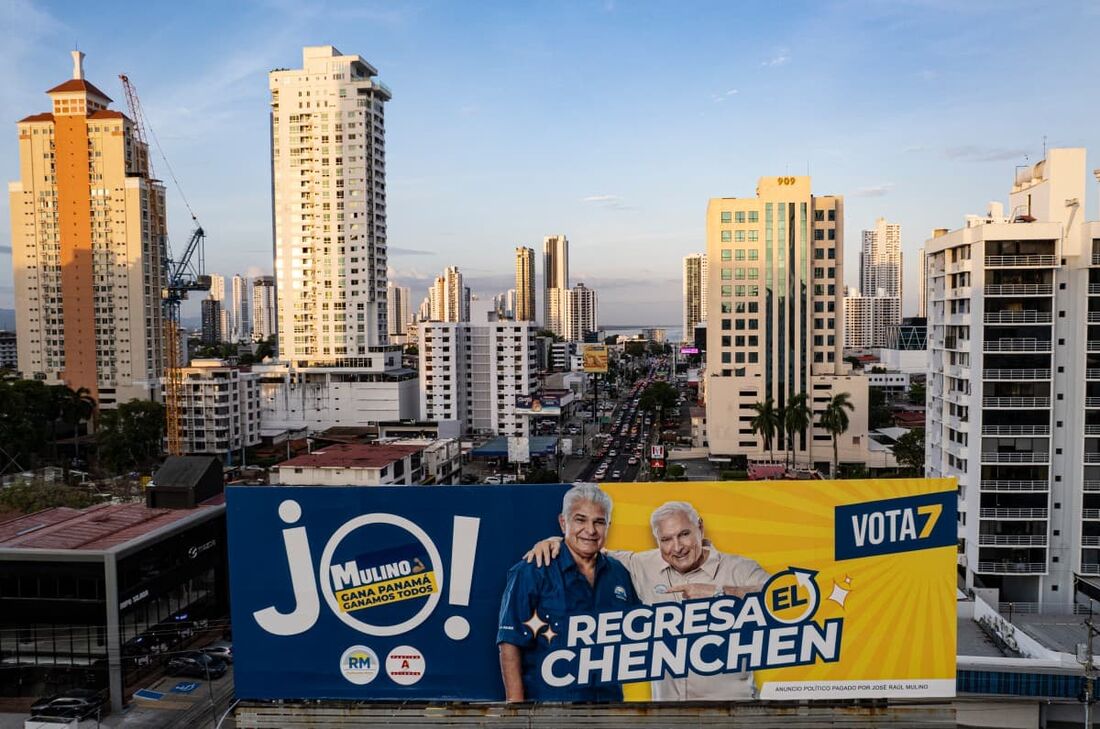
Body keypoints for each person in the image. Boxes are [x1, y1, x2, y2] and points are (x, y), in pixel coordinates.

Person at [525, 500, 769, 701]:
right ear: (657, 540)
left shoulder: (740, 568)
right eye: (666, 539)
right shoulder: (641, 565)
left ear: (700, 528)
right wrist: (554, 542)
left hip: (733, 713)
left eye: (684, 534)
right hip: (668, 718)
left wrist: (720, 593)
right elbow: (588, 550)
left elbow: (784, 598)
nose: (677, 547)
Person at [497, 484, 641, 702]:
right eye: (580, 520)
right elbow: (510, 643)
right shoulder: (531, 571)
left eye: (599, 522)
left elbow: (638, 630)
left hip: (609, 706)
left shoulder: (618, 572)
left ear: (608, 525)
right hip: (551, 710)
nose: (590, 530)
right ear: (563, 522)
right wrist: (515, 711)